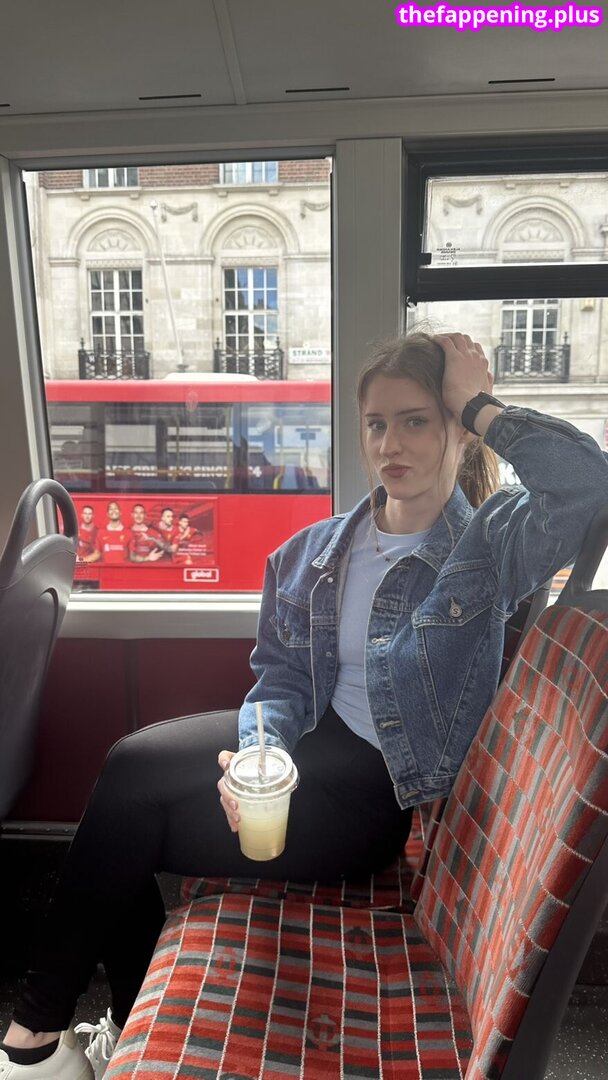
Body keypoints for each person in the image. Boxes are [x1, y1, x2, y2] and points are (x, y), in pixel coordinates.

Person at [2, 332, 607, 1080]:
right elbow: (282, 680)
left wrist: (479, 403)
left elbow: (590, 486)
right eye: (376, 423)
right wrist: (261, 752)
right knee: (127, 791)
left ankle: (34, 1042)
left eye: (416, 421)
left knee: (130, 801)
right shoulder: (313, 554)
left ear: (455, 428)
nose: (390, 444)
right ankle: (96, 1036)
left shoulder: (487, 546)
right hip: (306, 764)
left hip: (376, 801)